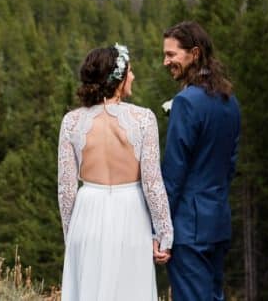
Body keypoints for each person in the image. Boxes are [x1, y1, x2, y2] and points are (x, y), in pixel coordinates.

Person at [58, 44, 173, 300]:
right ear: (117, 79)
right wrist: (164, 235)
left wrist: (71, 235)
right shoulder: (143, 119)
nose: (133, 76)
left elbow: (66, 189)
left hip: (86, 213)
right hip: (130, 213)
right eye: (129, 71)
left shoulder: (72, 122)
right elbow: (152, 183)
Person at [161, 21, 241, 301]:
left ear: (194, 53)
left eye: (172, 55)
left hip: (188, 227)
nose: (165, 61)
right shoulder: (230, 101)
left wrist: (160, 227)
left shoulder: (186, 102)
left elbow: (173, 171)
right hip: (217, 220)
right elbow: (230, 164)